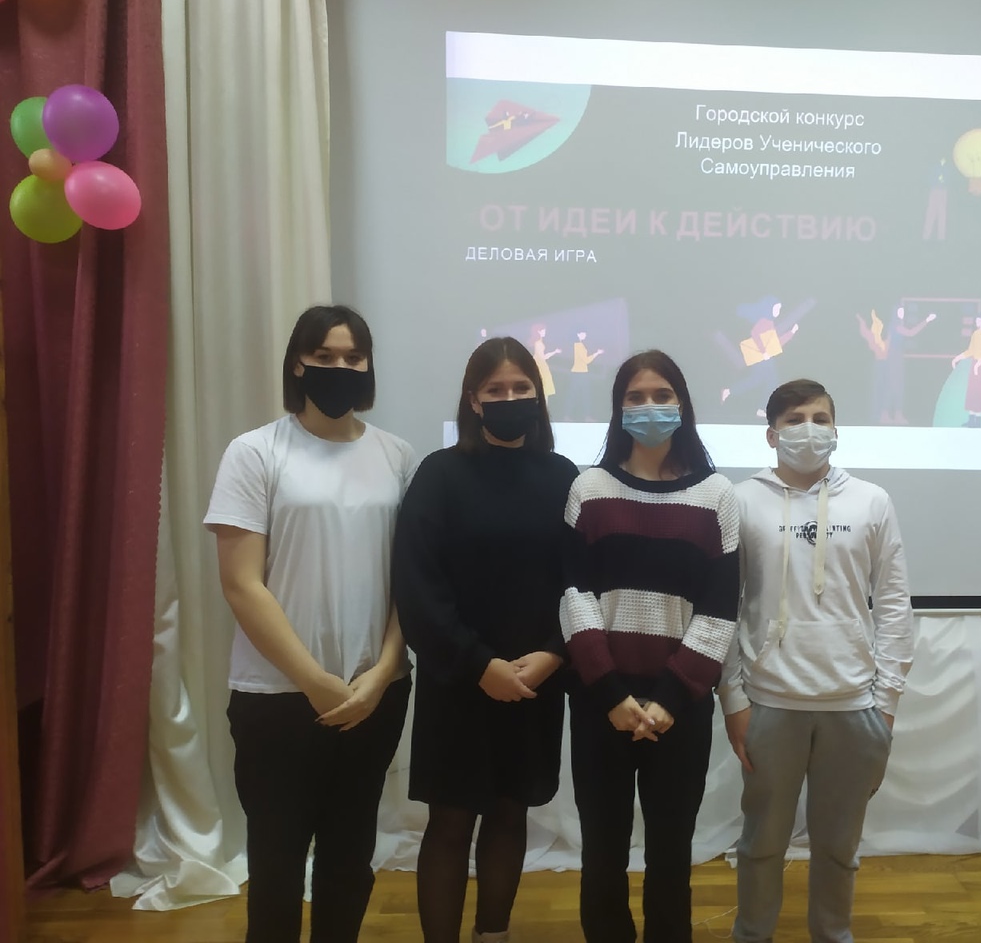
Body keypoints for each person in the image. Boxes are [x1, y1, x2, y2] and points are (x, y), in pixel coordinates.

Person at [205, 304, 414, 943]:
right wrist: (314, 680)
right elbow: (241, 583)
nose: (340, 367)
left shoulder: (397, 456)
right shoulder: (254, 452)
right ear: (298, 363)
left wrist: (384, 671)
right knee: (276, 864)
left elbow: (411, 583)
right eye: (324, 356)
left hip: (374, 694)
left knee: (350, 861)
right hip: (277, 698)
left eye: (353, 357)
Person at [392, 337, 580, 943]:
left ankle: (493, 934)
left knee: (509, 811)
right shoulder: (439, 474)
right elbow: (416, 584)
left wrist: (553, 653)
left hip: (534, 681)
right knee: (450, 823)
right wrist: (479, 664)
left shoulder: (564, 477)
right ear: (473, 400)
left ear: (538, 396)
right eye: (495, 389)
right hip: (459, 680)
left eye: (520, 388)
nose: (509, 398)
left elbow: (581, 580)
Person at [719, 379, 914, 943]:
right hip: (769, 701)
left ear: (836, 429)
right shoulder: (740, 500)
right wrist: (732, 698)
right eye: (795, 419)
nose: (809, 429)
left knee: (838, 846)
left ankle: (833, 934)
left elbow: (894, 603)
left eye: (820, 418)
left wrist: (887, 702)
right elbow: (723, 605)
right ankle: (751, 935)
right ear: (771, 434)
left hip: (854, 705)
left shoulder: (871, 501)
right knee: (761, 844)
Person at [560, 350, 740, 943]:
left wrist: (669, 698)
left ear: (683, 405)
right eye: (635, 397)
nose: (650, 407)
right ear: (618, 409)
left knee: (670, 851)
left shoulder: (717, 496)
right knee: (602, 850)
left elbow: (720, 609)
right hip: (601, 705)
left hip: (679, 709)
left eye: (662, 396)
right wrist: (611, 694)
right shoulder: (588, 489)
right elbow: (574, 597)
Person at [951, 315, 981, 427]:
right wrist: (957, 358)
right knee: (972, 392)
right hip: (975, 364)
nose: (976, 321)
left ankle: (978, 422)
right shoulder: (975, 334)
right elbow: (971, 350)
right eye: (976, 319)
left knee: (980, 393)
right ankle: (971, 420)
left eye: (979, 319)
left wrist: (979, 363)